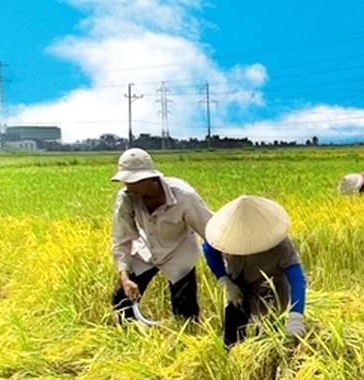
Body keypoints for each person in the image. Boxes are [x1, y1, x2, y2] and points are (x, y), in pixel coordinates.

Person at [109, 148, 219, 323]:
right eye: (126, 181)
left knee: (184, 311)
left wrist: (227, 269)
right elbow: (121, 238)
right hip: (146, 248)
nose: (129, 186)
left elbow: (210, 230)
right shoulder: (126, 198)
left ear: (150, 178)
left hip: (179, 251)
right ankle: (131, 341)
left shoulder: (183, 196)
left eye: (134, 181)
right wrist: (124, 276)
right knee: (121, 303)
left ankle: (186, 342)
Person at [201, 195, 308, 347]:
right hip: (237, 287)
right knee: (233, 338)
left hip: (271, 292)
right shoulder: (225, 235)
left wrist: (296, 317)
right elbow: (209, 247)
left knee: (269, 341)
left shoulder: (281, 246)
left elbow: (297, 281)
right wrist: (223, 279)